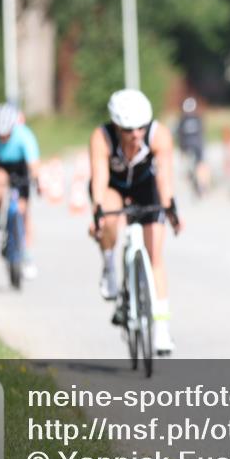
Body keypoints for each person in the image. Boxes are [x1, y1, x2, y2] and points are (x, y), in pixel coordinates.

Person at [89, 89, 182, 354]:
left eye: (141, 127)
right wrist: (97, 212)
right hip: (114, 187)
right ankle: (108, 265)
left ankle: (162, 331)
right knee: (108, 214)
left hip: (146, 187)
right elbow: (98, 177)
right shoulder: (101, 137)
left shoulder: (159, 135)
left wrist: (170, 207)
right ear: (117, 126)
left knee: (155, 256)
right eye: (129, 130)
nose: (136, 134)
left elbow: (164, 176)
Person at [0, 103, 41, 279]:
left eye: (6, 134)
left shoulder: (24, 135)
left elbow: (33, 165)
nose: (3, 138)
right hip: (1, 168)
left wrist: (37, 181)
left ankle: (27, 255)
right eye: (0, 135)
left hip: (20, 168)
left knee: (23, 211)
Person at [176, 97, 209, 196]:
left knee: (189, 166)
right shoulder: (198, 118)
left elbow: (179, 135)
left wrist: (181, 149)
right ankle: (203, 184)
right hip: (197, 146)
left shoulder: (182, 119)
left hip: (186, 146)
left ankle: (194, 180)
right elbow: (203, 132)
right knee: (201, 165)